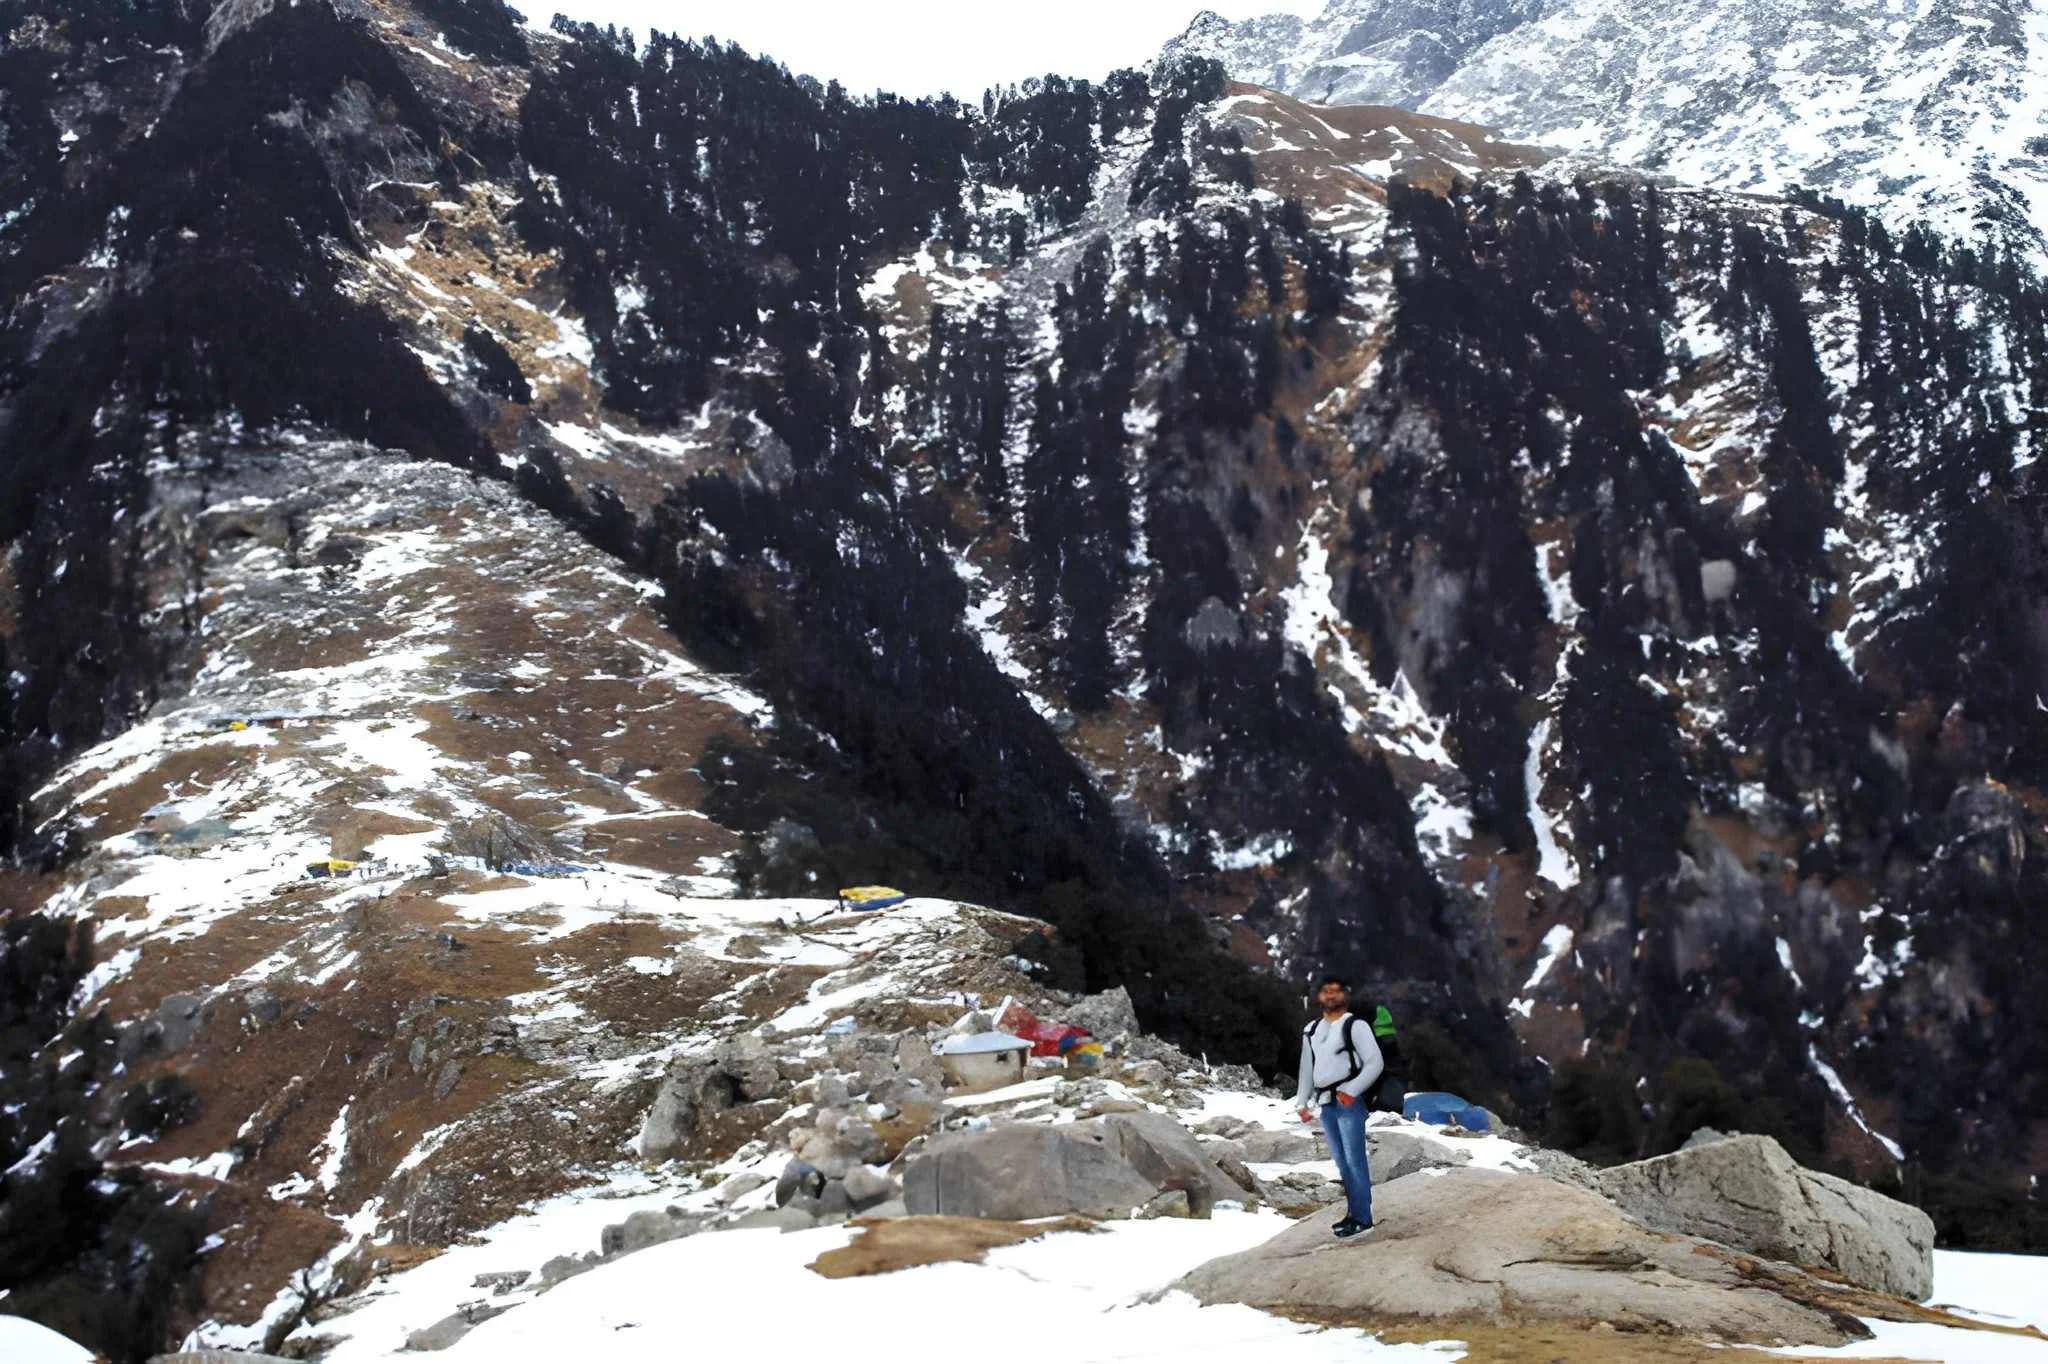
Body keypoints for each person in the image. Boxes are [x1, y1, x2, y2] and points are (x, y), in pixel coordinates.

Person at [1292, 973, 1384, 1238]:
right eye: (1326, 991)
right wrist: (1302, 1100)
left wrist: (1351, 1090)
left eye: (1336, 991)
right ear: (1319, 996)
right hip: (1326, 1103)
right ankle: (1353, 1214)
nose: (1331, 996)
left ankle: (1363, 1218)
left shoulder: (1355, 1026)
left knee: (1355, 1161)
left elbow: (1374, 1062)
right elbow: (1306, 1069)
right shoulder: (1311, 1030)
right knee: (1343, 1162)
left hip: (1347, 1101)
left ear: (1345, 995)